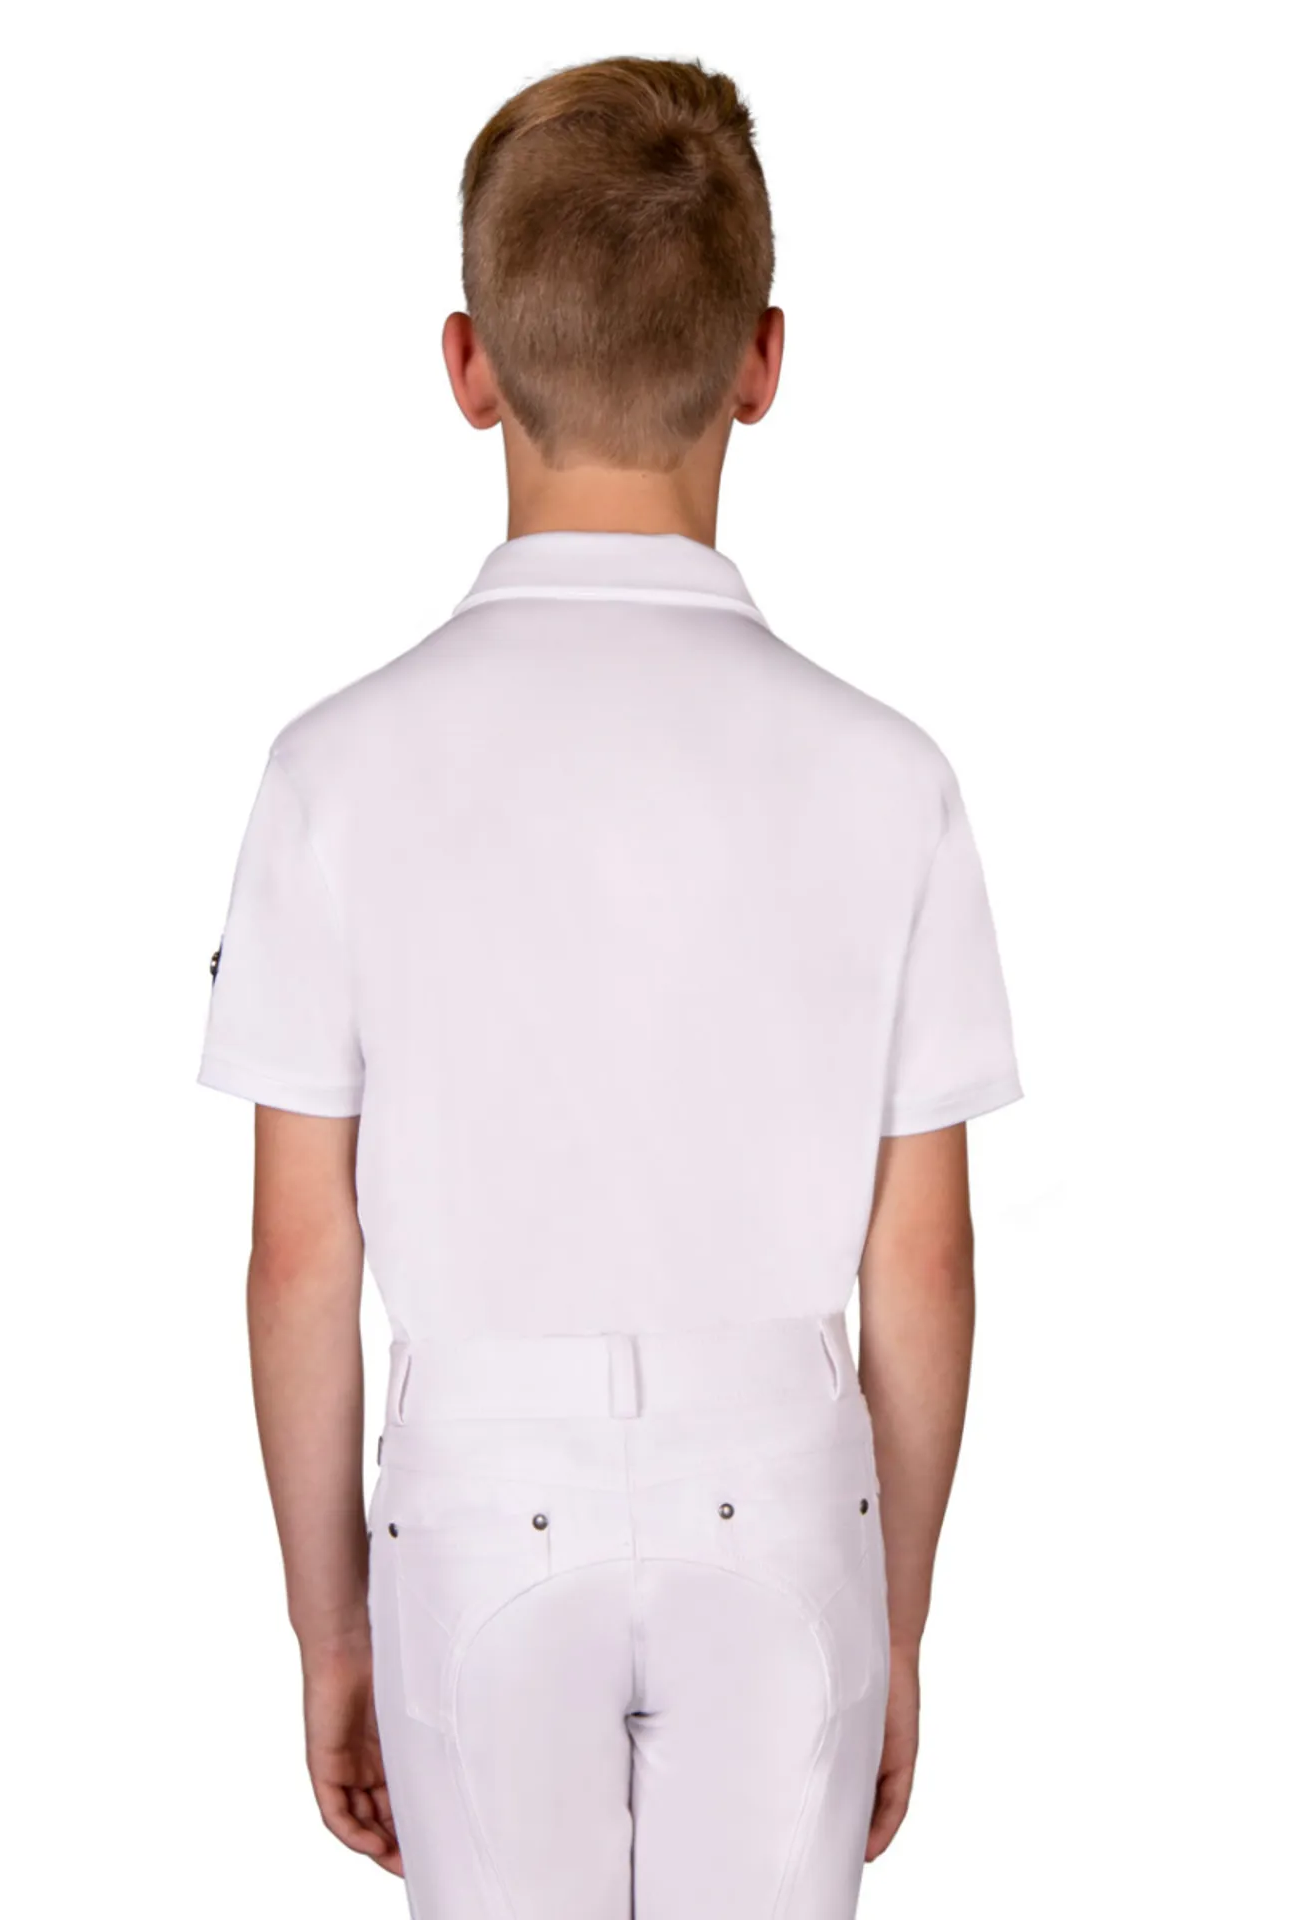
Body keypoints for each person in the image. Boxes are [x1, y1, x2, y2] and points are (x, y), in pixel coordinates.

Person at [198, 55, 1021, 1920]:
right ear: (762, 361)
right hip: (784, 1494)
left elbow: (299, 1259)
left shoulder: (334, 772)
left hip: (477, 1503)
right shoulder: (889, 778)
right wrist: (894, 1620)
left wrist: (333, 1630)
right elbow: (925, 1262)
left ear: (468, 364)